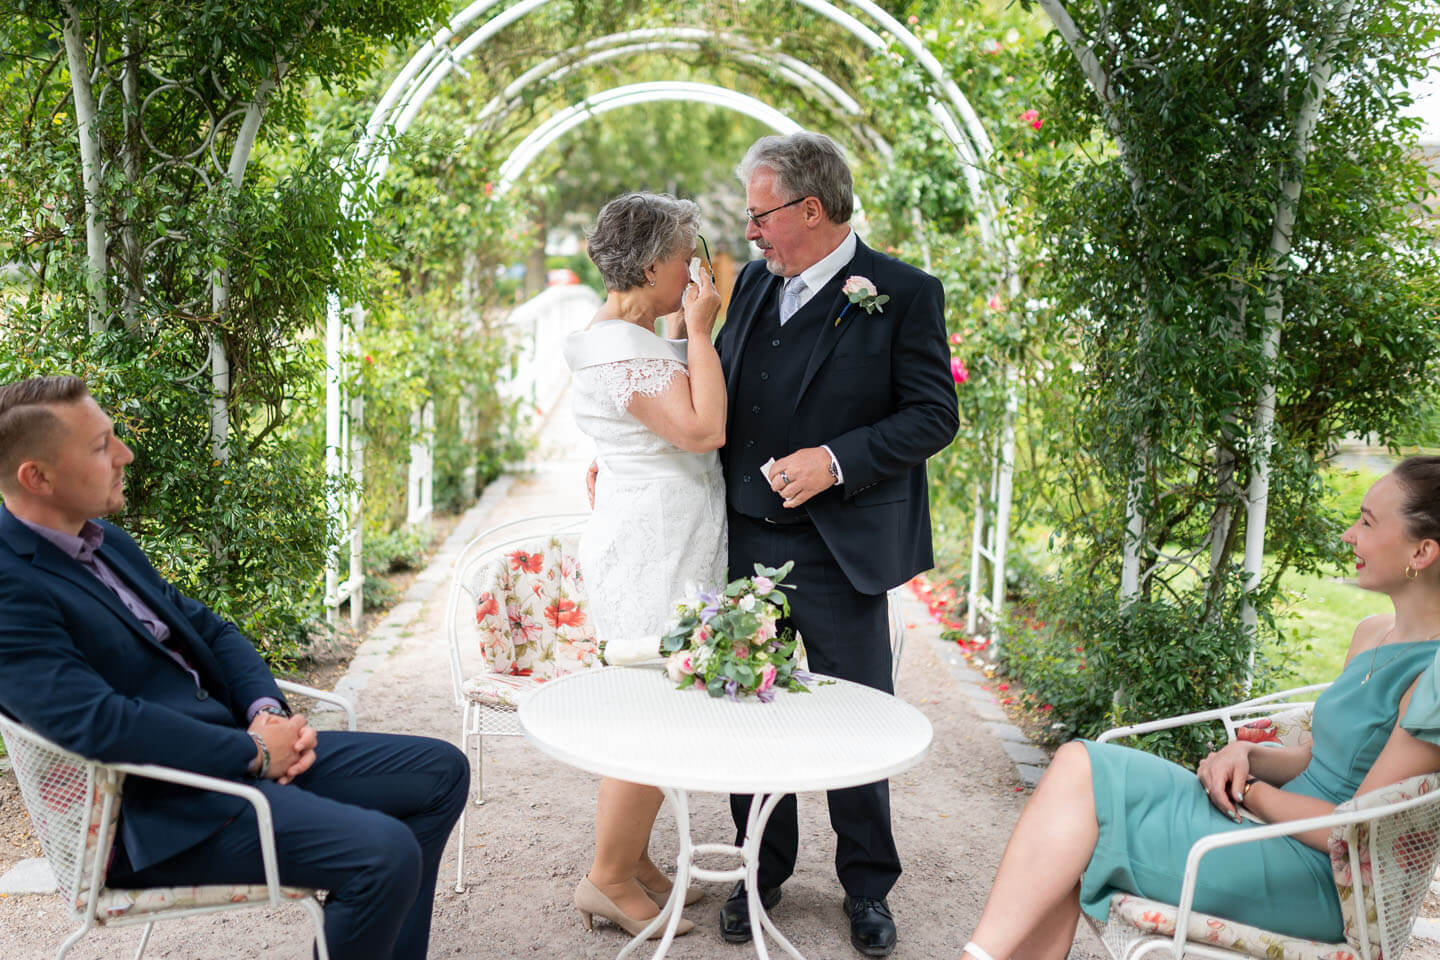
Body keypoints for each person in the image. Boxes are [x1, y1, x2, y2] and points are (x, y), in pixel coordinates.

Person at [0, 376, 469, 960]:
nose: (125, 454)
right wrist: (253, 754)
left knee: (440, 771)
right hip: (162, 813)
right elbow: (101, 725)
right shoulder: (10, 586)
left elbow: (212, 632)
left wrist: (265, 713)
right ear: (36, 478)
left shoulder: (104, 541)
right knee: (384, 854)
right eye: (100, 447)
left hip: (231, 757)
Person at [957, 457, 1440, 960]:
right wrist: (1247, 756)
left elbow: (1352, 831)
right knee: (1080, 764)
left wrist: (1251, 793)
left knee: (1079, 823)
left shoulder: (1432, 680)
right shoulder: (1370, 633)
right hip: (1264, 825)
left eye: (1367, 521)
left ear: (1422, 551)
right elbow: (1319, 759)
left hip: (1315, 876)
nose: (1348, 534)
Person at [714, 132, 959, 957]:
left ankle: (867, 888)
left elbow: (933, 415)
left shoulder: (904, 292)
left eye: (760, 215)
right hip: (747, 542)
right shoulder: (752, 284)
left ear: (808, 209)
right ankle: (759, 875)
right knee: (751, 715)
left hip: (840, 550)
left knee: (858, 722)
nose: (751, 232)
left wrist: (836, 460)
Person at [562, 192, 726, 939]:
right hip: (657, 541)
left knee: (665, 697)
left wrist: (676, 331)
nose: (695, 266)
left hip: (668, 529)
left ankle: (634, 862)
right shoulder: (619, 345)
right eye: (687, 253)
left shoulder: (624, 335)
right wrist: (699, 330)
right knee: (653, 707)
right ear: (655, 262)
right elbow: (701, 429)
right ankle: (608, 877)